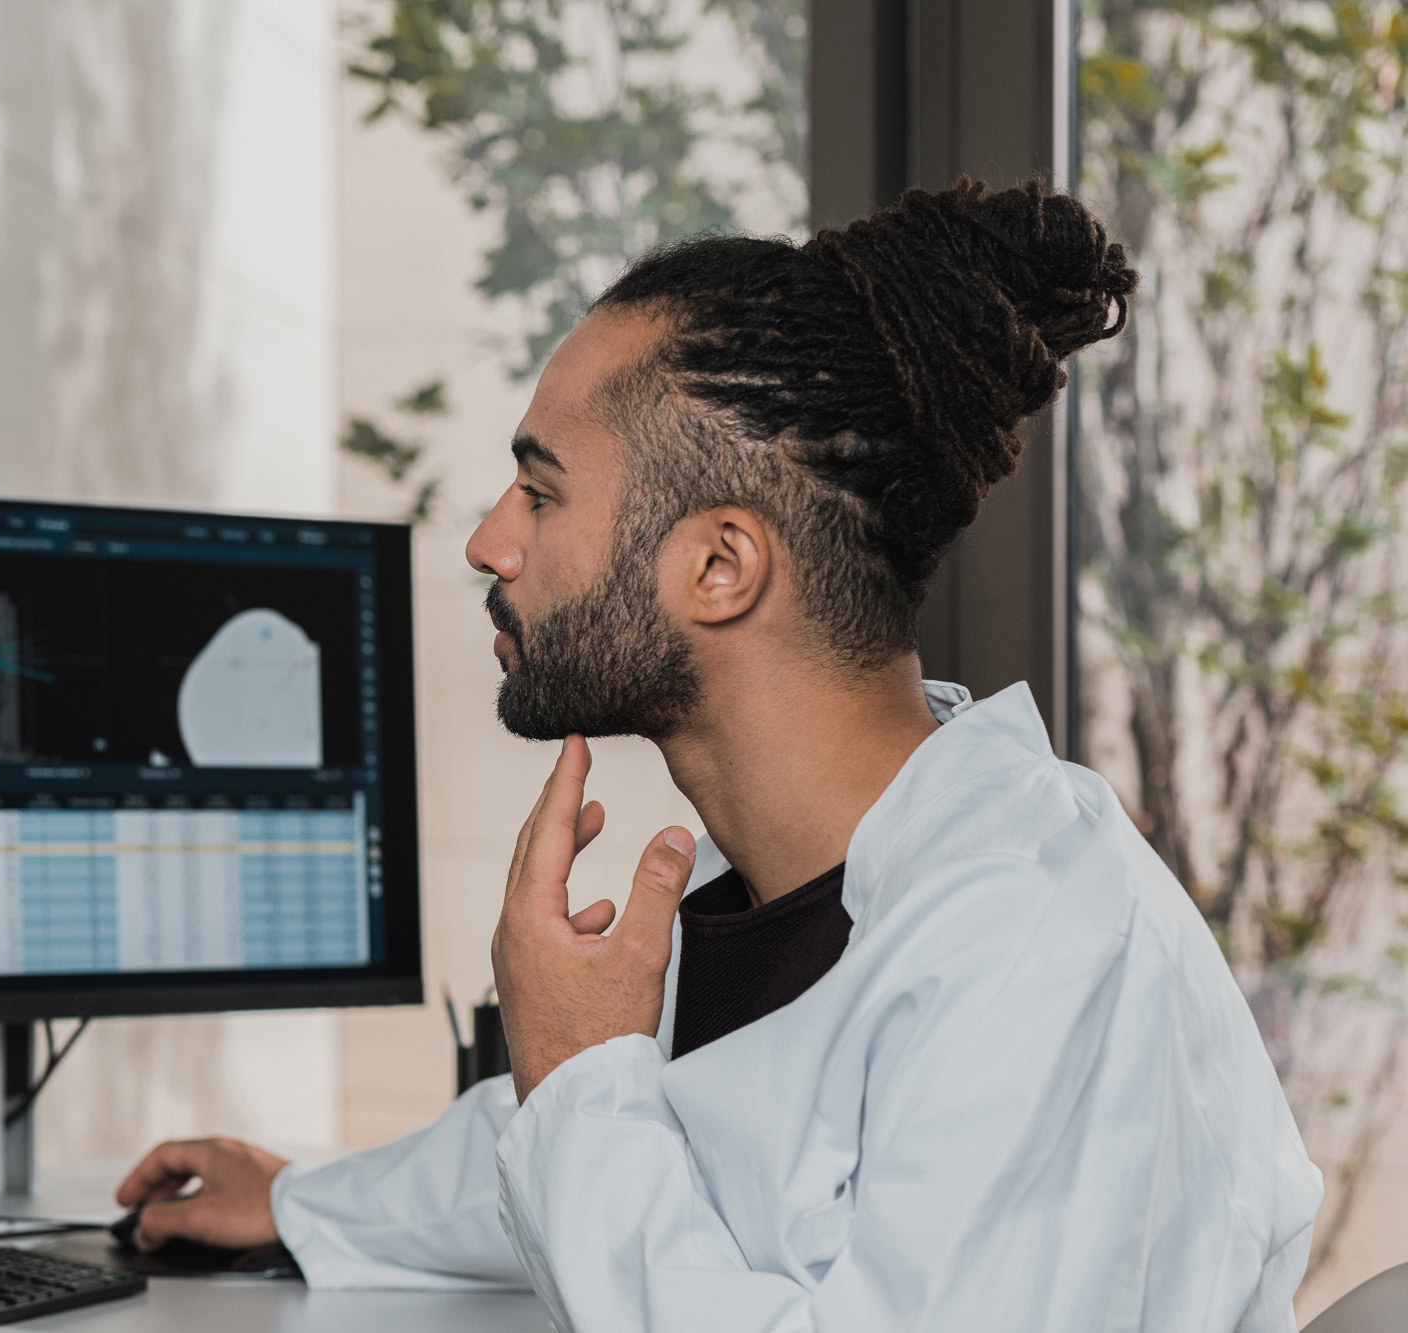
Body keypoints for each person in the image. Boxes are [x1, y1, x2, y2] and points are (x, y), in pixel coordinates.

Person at [114, 177, 1322, 1331]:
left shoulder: (1042, 947)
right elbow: (673, 1137)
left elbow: (606, 1120)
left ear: (718, 567)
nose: (489, 542)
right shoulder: (784, 889)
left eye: (539, 493)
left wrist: (580, 1071)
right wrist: (295, 1198)